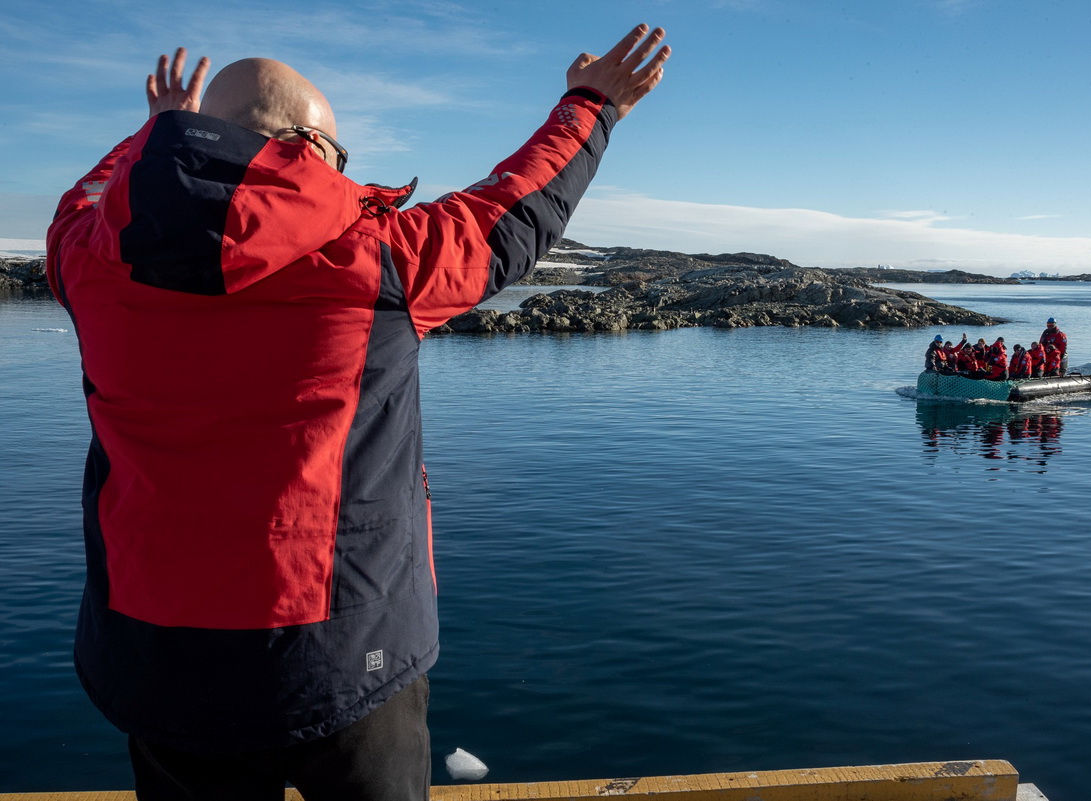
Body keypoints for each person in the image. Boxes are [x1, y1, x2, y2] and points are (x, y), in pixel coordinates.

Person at [46, 29, 669, 801]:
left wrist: (162, 133)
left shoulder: (88, 258)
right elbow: (518, 207)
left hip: (160, 660)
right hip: (345, 652)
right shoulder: (381, 260)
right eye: (338, 151)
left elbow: (82, 201)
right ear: (309, 145)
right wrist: (591, 104)